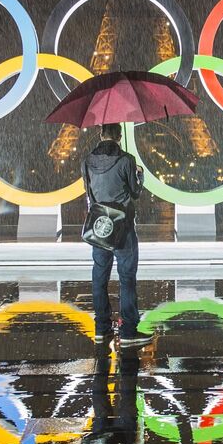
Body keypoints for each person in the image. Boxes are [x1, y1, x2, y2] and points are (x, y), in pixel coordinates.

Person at [83, 123, 151, 349]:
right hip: (123, 227)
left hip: (100, 224)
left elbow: (89, 194)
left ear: (101, 134)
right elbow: (135, 193)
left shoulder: (88, 160)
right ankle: (128, 331)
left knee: (99, 277)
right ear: (119, 136)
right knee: (127, 277)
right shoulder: (126, 160)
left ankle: (102, 329)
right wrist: (139, 176)